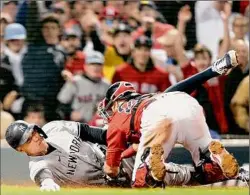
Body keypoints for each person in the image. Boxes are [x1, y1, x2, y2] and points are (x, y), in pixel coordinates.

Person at [98, 50, 248, 187]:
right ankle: (214, 157)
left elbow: (111, 169)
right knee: (208, 171)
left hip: (159, 119)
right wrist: (212, 71)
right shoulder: (148, 97)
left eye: (110, 107)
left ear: (117, 102)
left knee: (142, 181)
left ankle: (151, 168)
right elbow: (137, 146)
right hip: (188, 105)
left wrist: (109, 173)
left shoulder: (119, 117)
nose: (109, 112)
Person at [4, 120, 194, 191]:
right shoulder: (39, 167)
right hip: (111, 188)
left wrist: (121, 140)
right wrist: (47, 184)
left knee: (180, 175)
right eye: (28, 140)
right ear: (20, 150)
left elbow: (89, 132)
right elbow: (42, 178)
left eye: (33, 132)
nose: (35, 137)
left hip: (119, 160)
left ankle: (211, 173)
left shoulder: (53, 128)